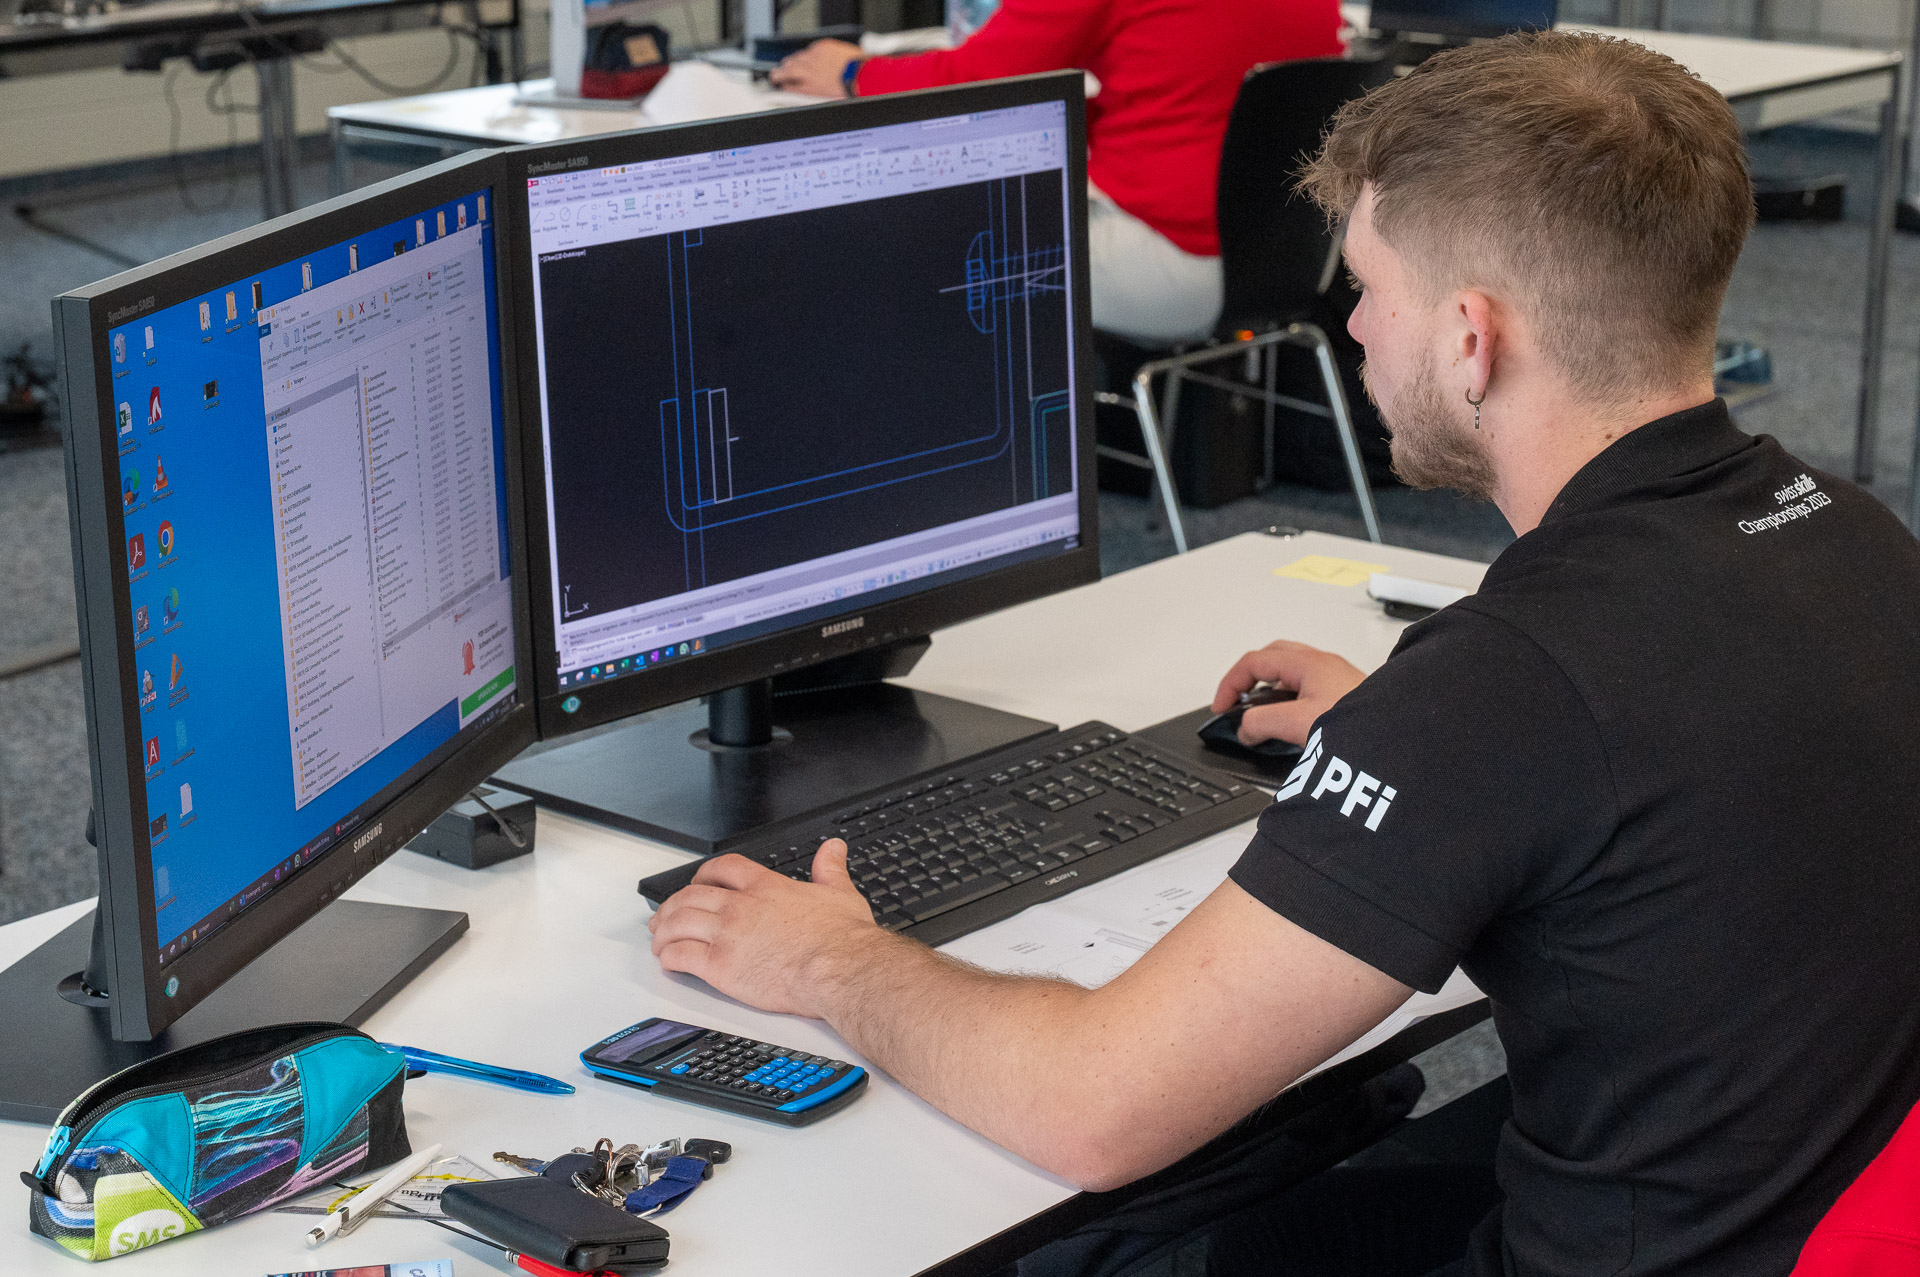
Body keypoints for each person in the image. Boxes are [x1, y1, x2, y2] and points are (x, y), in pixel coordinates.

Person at [649, 30, 1920, 1276]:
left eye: (1365, 285)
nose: (1353, 325)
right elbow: (1655, 752)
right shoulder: (1853, 531)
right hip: (1794, 1209)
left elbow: (1093, 1103)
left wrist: (831, 956)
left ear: (1470, 338)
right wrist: (1411, 750)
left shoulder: (1503, 690)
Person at [767, 0, 1343, 347]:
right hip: (1292, 262)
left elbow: (982, 82)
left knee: (911, 231)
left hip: (1168, 266)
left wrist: (852, 73)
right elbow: (1193, 94)